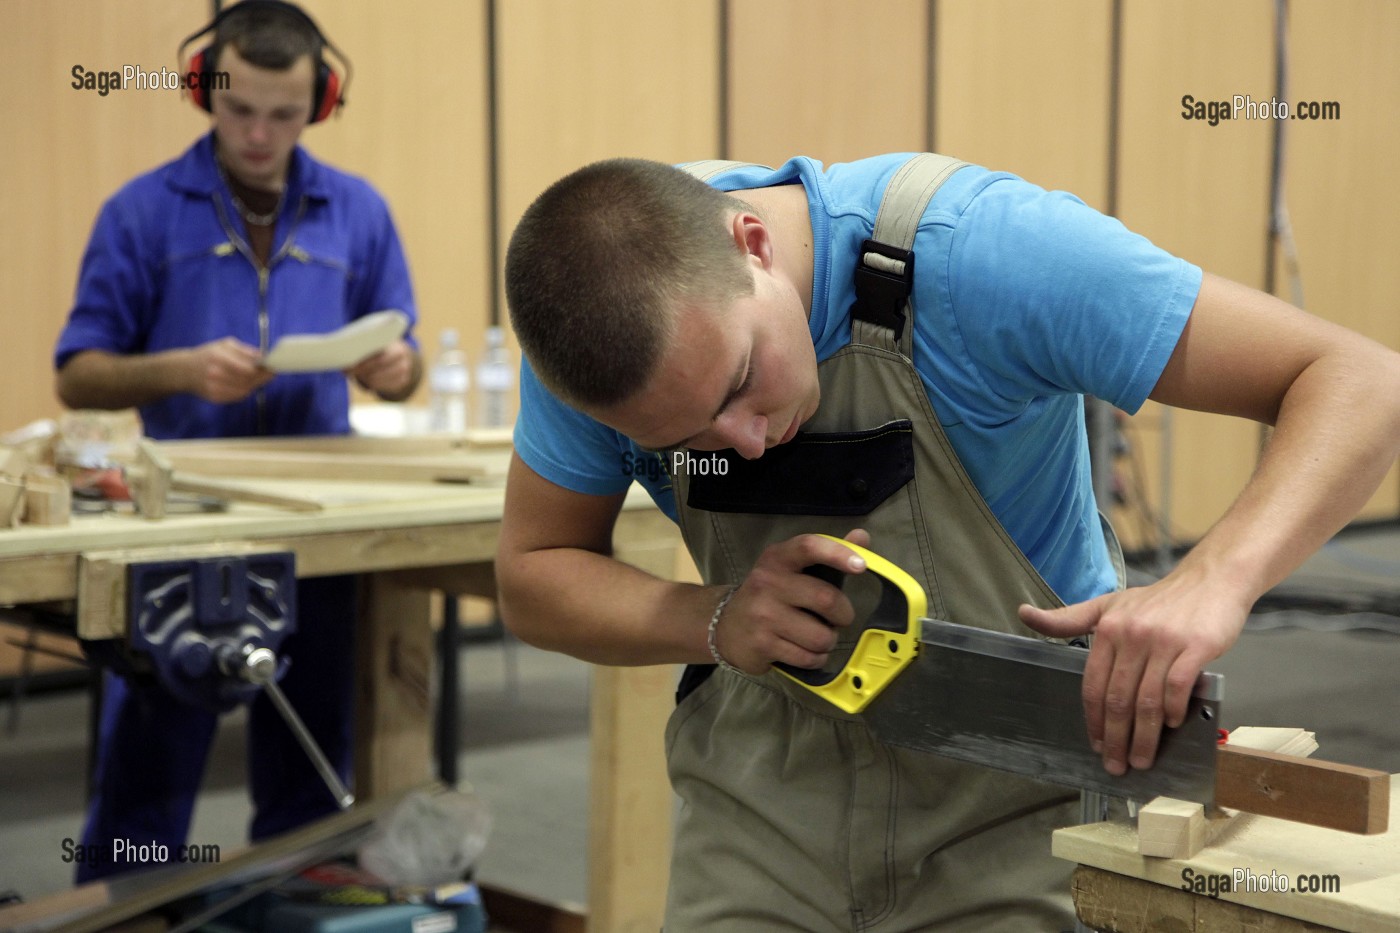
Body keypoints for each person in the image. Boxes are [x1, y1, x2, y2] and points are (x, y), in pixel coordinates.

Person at [497, 153, 1400, 930]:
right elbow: (535, 572)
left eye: (741, 381)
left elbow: (1359, 379)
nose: (745, 442)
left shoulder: (984, 252)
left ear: (754, 245)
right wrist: (715, 613)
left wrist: (1212, 579)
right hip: (762, 804)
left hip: (1022, 804)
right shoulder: (596, 335)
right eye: (683, 441)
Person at [53, 1, 419, 882]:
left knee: (309, 758)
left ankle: (293, 899)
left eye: (283, 114)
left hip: (319, 521)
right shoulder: (140, 213)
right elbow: (77, 371)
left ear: (320, 103)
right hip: (182, 523)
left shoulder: (357, 212)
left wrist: (392, 368)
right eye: (238, 109)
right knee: (150, 769)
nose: (259, 134)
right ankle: (128, 905)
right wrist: (178, 369)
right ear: (200, 91)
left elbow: (402, 369)